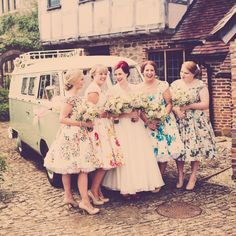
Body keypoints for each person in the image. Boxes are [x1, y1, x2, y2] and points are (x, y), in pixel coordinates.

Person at [102, 61, 164, 198]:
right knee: (125, 155)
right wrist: (127, 114)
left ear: (127, 74)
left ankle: (137, 186)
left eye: (120, 74)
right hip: (121, 127)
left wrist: (146, 121)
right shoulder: (112, 91)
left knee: (137, 155)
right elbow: (109, 113)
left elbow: (140, 109)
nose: (118, 77)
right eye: (116, 74)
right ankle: (126, 188)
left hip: (136, 127)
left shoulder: (135, 89)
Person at [44, 69, 99, 214]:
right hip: (73, 136)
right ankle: (85, 202)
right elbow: (62, 118)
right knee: (83, 169)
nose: (83, 81)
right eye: (81, 79)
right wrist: (83, 124)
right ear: (74, 80)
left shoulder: (75, 96)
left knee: (68, 167)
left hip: (75, 135)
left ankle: (68, 196)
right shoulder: (71, 98)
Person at [171, 61, 216, 190]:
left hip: (195, 122)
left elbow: (205, 104)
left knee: (194, 149)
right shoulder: (175, 85)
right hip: (180, 121)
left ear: (193, 74)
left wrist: (189, 106)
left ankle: (193, 176)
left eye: (186, 73)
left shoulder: (200, 85)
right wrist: (177, 110)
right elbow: (170, 102)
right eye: (181, 72)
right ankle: (180, 174)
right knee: (179, 149)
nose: (182, 75)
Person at [85, 64, 124, 205]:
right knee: (104, 161)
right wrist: (107, 112)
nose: (103, 76)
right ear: (93, 75)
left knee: (105, 161)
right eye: (100, 74)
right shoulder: (93, 90)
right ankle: (93, 191)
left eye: (105, 74)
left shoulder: (99, 88)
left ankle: (97, 190)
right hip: (99, 128)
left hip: (105, 126)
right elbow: (91, 112)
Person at [138, 60, 184, 176]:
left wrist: (161, 118)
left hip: (163, 121)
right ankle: (151, 177)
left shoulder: (162, 85)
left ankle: (160, 177)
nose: (149, 73)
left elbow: (169, 103)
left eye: (152, 70)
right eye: (147, 70)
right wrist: (148, 122)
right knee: (150, 150)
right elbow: (139, 108)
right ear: (142, 72)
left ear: (155, 71)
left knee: (162, 150)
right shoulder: (138, 88)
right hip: (146, 122)